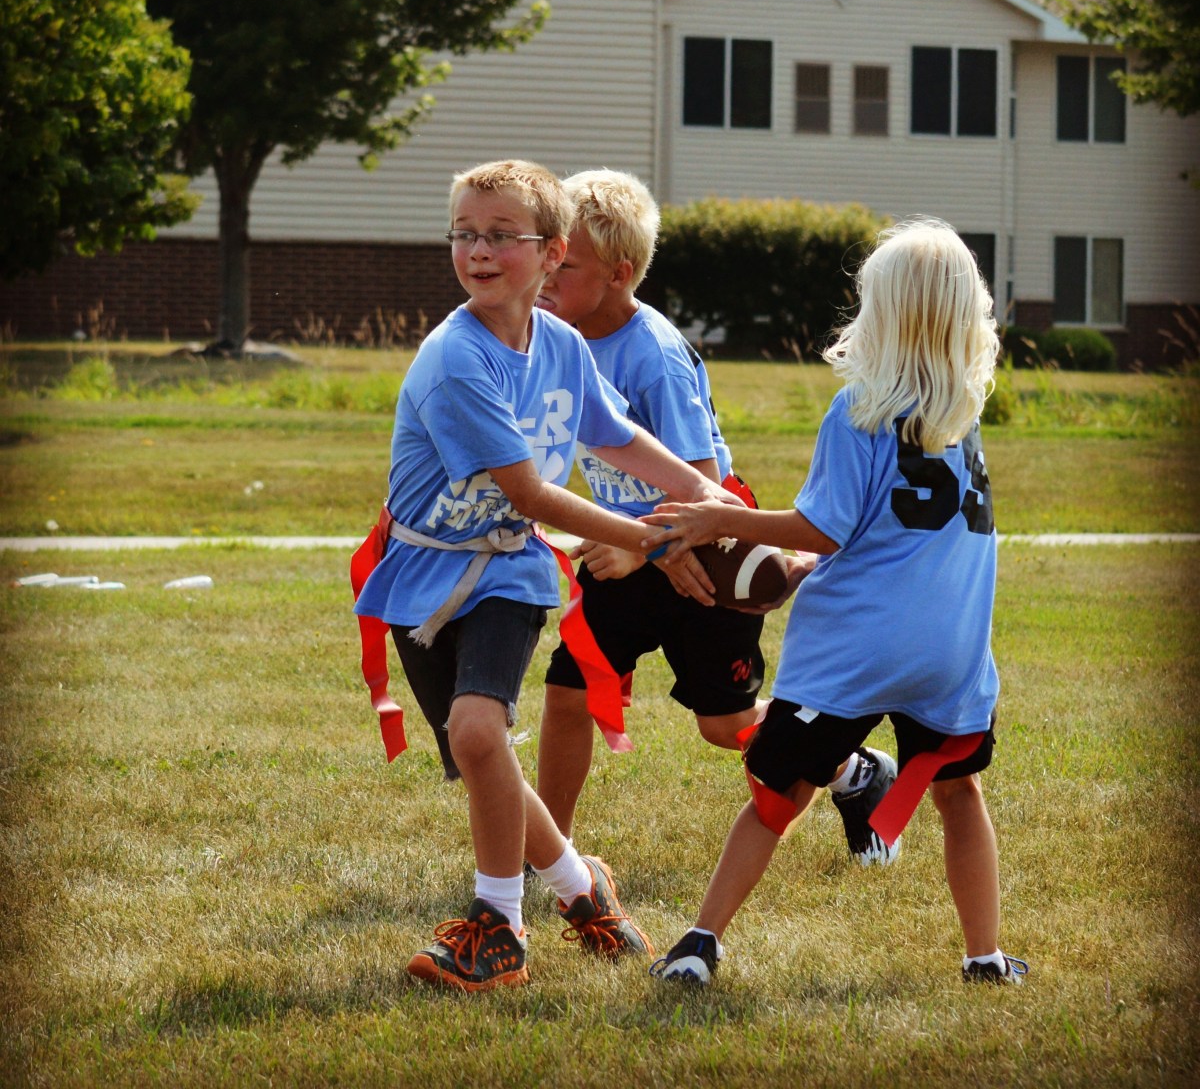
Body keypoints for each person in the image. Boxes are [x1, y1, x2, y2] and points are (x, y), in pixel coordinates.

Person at [352, 159, 742, 992]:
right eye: (464, 233)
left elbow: (617, 436)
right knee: (483, 753)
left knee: (477, 734)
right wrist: (658, 539)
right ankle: (579, 885)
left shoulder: (561, 343)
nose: (478, 251)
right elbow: (531, 491)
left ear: (551, 252)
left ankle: (497, 929)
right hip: (421, 573)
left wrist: (707, 497)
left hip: (507, 569)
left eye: (502, 236)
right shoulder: (457, 357)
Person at [642, 219, 1028, 988]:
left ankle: (699, 945)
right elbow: (889, 534)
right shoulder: (964, 416)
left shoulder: (860, 409)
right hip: (949, 652)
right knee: (959, 793)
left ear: (882, 310)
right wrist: (804, 565)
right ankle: (984, 956)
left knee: (776, 796)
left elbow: (823, 524)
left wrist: (719, 519)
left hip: (855, 650)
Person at [533, 168, 898, 868]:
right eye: (544, 256)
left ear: (619, 273)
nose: (546, 275)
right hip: (629, 543)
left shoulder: (654, 355)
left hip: (710, 543)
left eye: (564, 264)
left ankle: (855, 772)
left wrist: (644, 547)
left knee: (724, 725)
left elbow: (702, 489)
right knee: (569, 691)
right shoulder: (555, 338)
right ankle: (548, 853)